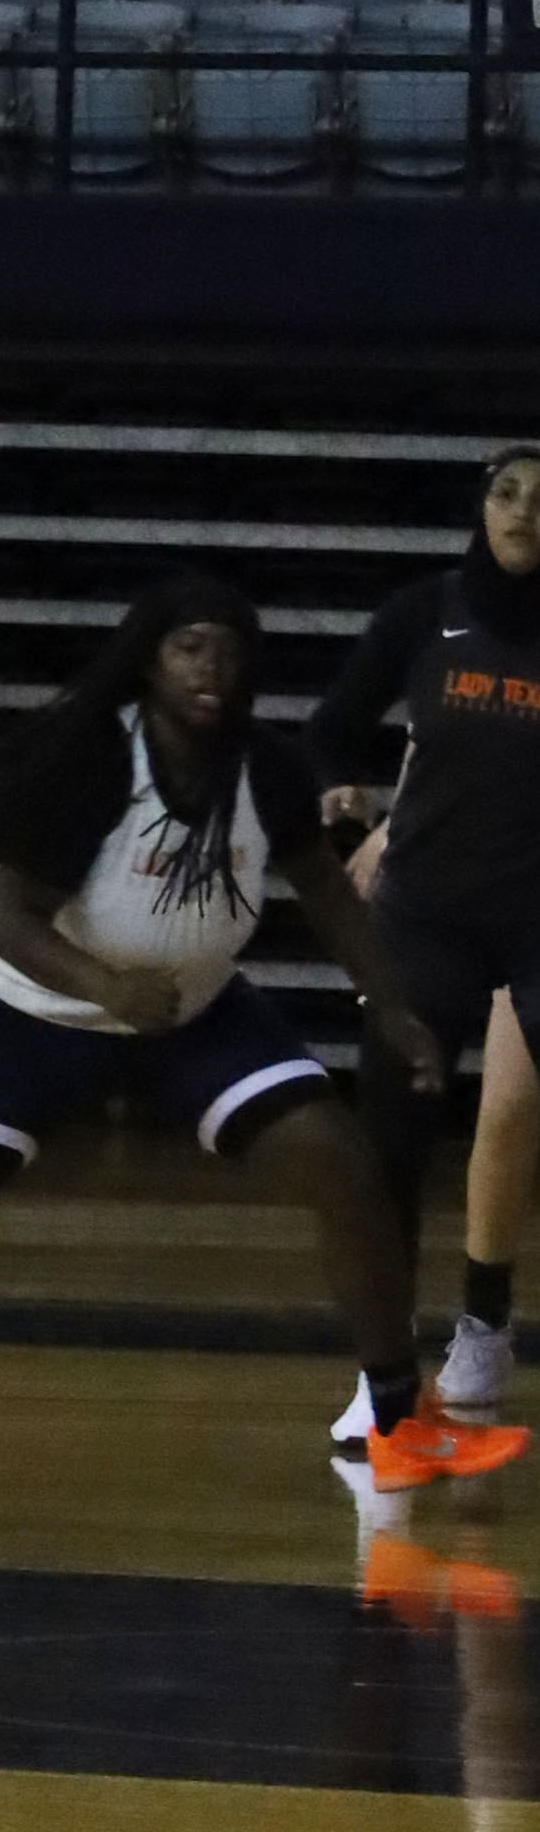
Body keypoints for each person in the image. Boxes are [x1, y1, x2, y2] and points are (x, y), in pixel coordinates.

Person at [0, 577, 521, 1504]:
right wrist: (106, 986)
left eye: (227, 650)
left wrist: (390, 1006)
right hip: (36, 1015)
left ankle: (398, 1421)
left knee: (339, 1162)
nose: (210, 668)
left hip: (194, 1014)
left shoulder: (262, 768)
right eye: (189, 647)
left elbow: (324, 890)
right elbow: (7, 923)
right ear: (148, 661)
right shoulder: (93, 761)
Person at [310, 441, 540, 1440]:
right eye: (506, 493)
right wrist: (344, 803)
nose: (522, 512)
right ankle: (385, 1376)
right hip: (425, 918)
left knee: (513, 1119)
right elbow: (331, 726)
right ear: (480, 506)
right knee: (389, 1147)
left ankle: (484, 1325)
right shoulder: (423, 613)